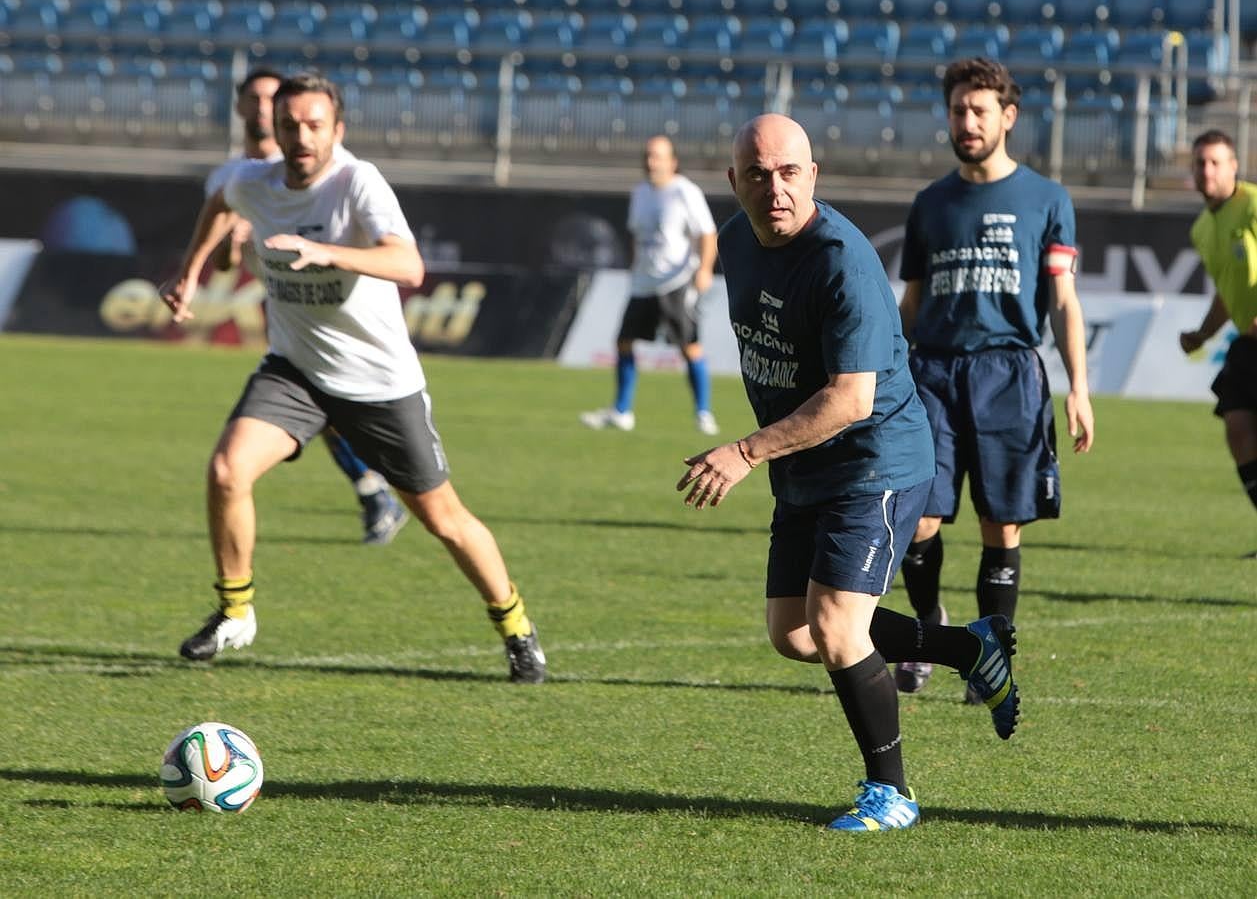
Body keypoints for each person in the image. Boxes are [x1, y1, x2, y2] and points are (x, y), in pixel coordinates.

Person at [677, 114, 1019, 832]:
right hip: (803, 463)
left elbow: (851, 398)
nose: (776, 187)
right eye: (759, 173)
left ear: (813, 175)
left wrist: (742, 452)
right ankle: (967, 646)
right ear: (734, 180)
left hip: (875, 461)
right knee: (793, 633)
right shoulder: (737, 241)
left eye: (790, 171)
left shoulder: (841, 260)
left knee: (834, 629)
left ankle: (891, 793)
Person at [161, 73, 546, 683]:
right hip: (295, 373)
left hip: (378, 385)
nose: (301, 137)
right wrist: (191, 272)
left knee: (443, 517)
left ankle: (516, 627)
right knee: (227, 470)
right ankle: (235, 611)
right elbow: (218, 205)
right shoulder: (251, 181)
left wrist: (332, 253)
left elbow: (409, 263)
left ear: (337, 131)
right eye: (290, 125)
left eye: (315, 125)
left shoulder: (356, 182)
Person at [894, 58, 1095, 700]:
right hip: (932, 371)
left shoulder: (1047, 198)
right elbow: (912, 300)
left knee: (999, 524)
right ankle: (929, 632)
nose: (968, 121)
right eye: (958, 110)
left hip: (1009, 374)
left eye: (980, 111)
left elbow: (1062, 301)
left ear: (1007, 117)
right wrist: (882, 370)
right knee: (919, 518)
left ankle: (990, 655)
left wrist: (1079, 388)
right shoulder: (930, 204)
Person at [206, 67, 408, 547]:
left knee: (331, 409)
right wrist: (232, 244)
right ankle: (374, 491)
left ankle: (378, 489)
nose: (261, 108)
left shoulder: (320, 164)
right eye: (253, 100)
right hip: (282, 301)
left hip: (339, 309)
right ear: (239, 108)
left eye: (269, 100)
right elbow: (223, 262)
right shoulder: (232, 178)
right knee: (314, 412)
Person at [580, 135, 721, 435]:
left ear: (673, 161)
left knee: (689, 347)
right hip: (644, 282)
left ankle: (703, 413)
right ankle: (621, 411)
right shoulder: (640, 192)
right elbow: (636, 235)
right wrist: (635, 267)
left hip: (676, 281)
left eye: (657, 156)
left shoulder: (684, 192)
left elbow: (707, 233)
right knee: (624, 342)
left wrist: (705, 269)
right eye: (647, 155)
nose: (650, 161)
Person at [1180, 129, 1257, 558]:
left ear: (1233, 167)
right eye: (1200, 163)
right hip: (1247, 342)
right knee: (1238, 428)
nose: (1206, 170)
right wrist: (1203, 334)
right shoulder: (1201, 229)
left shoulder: (1253, 204)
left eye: (1215, 162)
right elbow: (1227, 292)